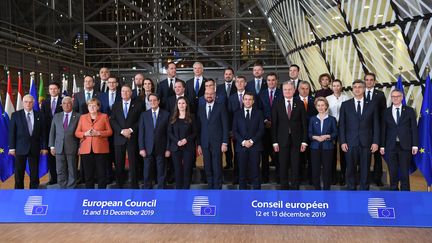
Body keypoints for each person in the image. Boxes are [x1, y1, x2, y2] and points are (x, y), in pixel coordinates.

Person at [339, 79, 379, 190]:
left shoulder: (372, 104)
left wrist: (375, 142)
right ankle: (351, 189)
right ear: (352, 90)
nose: (357, 89)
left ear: (364, 89)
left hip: (366, 142)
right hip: (350, 142)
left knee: (365, 168)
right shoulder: (345, 105)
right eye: (355, 87)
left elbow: (376, 124)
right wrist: (342, 142)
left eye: (359, 87)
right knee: (350, 168)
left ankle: (364, 190)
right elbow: (342, 125)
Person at [272, 81, 308, 190]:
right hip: (281, 140)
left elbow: (304, 125)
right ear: (282, 91)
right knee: (283, 165)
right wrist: (274, 142)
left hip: (296, 141)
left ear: (294, 90)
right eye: (285, 89)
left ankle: (295, 187)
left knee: (296, 165)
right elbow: (274, 124)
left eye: (289, 89)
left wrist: (304, 141)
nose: (287, 91)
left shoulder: (300, 103)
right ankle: (284, 187)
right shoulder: (277, 104)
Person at [380, 89, 418, 191]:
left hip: (405, 146)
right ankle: (393, 191)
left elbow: (414, 128)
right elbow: (383, 130)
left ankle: (405, 192)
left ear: (402, 97)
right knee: (392, 170)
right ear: (391, 98)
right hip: (390, 146)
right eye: (393, 97)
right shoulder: (386, 112)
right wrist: (382, 145)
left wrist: (415, 145)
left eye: (397, 96)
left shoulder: (409, 110)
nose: (395, 98)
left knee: (404, 171)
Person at [8, 94, 48, 189]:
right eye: (26, 102)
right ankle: (19, 192)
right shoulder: (15, 115)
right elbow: (12, 133)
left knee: (34, 174)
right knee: (19, 173)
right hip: (20, 148)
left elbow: (43, 133)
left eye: (30, 102)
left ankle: (34, 192)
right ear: (23, 102)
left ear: (33, 103)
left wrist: (44, 147)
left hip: (35, 148)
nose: (28, 104)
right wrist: (12, 148)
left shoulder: (39, 115)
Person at [110, 84, 143, 189]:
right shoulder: (116, 105)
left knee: (133, 163)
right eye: (123, 91)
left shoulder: (138, 105)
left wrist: (130, 130)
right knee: (119, 163)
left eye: (127, 91)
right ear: (120, 93)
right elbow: (112, 120)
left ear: (131, 93)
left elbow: (140, 121)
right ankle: (120, 184)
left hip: (132, 137)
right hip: (119, 138)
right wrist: (121, 131)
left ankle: (134, 184)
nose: (125, 93)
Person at [75, 98, 112, 189]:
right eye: (90, 106)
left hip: (101, 149)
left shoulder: (104, 116)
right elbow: (77, 133)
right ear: (87, 107)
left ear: (98, 107)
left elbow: (110, 132)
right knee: (88, 175)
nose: (92, 107)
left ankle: (101, 196)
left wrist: (99, 133)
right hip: (86, 150)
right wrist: (85, 134)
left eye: (94, 105)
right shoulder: (83, 117)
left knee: (101, 175)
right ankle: (90, 196)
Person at [197, 88, 229, 189]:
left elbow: (225, 126)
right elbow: (199, 128)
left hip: (217, 143)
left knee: (217, 166)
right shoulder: (201, 108)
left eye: (211, 94)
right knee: (207, 166)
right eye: (207, 94)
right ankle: (210, 186)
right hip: (204, 143)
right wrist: (199, 144)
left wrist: (225, 142)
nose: (209, 96)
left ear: (215, 95)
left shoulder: (221, 107)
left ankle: (217, 187)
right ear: (204, 95)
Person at [232, 92, 265, 189]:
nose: (247, 101)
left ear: (253, 101)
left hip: (255, 146)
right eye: (245, 99)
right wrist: (243, 142)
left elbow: (261, 130)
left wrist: (251, 141)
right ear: (243, 100)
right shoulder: (237, 113)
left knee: (255, 172)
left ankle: (257, 196)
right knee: (242, 174)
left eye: (250, 99)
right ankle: (242, 196)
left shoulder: (259, 113)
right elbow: (235, 130)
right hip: (241, 147)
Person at [138, 93, 170, 189]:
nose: (153, 102)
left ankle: (161, 191)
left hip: (162, 148)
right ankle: (147, 191)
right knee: (147, 172)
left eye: (155, 100)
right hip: (147, 148)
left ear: (158, 101)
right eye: (150, 100)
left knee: (161, 172)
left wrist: (168, 149)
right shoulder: (144, 115)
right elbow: (141, 133)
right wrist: (141, 148)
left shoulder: (166, 114)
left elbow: (169, 133)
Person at [48, 97, 81, 189]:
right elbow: (52, 132)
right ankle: (62, 187)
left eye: (69, 103)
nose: (66, 105)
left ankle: (71, 187)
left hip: (72, 147)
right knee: (60, 169)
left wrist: (80, 147)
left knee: (72, 169)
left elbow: (81, 133)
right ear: (61, 105)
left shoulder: (78, 116)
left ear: (72, 104)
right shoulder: (56, 116)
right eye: (64, 103)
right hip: (58, 147)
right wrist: (51, 146)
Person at [168, 97, 198, 189]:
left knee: (187, 170)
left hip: (188, 147)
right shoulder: (173, 117)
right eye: (179, 103)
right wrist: (177, 141)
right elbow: (169, 132)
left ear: (186, 105)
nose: (181, 105)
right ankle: (179, 190)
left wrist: (186, 140)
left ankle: (186, 189)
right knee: (177, 170)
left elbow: (195, 132)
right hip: (176, 147)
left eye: (183, 103)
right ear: (177, 105)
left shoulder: (192, 117)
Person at [308, 97, 338, 190]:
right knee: (315, 169)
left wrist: (327, 136)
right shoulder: (312, 119)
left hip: (327, 147)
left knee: (327, 169)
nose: (320, 107)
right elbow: (309, 133)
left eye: (322, 105)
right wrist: (315, 137)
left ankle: (326, 189)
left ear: (326, 106)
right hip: (315, 147)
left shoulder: (332, 119)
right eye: (318, 105)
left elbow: (335, 133)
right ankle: (316, 189)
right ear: (316, 107)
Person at [258, 72, 282, 183]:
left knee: (278, 154)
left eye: (273, 80)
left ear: (277, 81)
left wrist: (275, 121)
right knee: (265, 154)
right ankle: (265, 177)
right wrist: (265, 121)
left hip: (278, 129)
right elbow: (258, 110)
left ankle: (278, 177)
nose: (271, 82)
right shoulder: (261, 94)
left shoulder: (282, 93)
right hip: (265, 128)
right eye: (269, 80)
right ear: (266, 81)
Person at [364, 73, 387, 186]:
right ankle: (365, 178)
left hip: (377, 129)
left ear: (374, 81)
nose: (369, 82)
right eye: (367, 80)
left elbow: (383, 113)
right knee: (364, 156)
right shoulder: (360, 93)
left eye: (371, 80)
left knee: (377, 156)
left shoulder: (380, 95)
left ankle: (378, 179)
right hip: (364, 130)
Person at [326, 79, 349, 185]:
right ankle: (332, 177)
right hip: (331, 128)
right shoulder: (327, 98)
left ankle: (344, 176)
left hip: (344, 127)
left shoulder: (346, 98)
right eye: (334, 85)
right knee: (332, 152)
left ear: (341, 86)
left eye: (338, 85)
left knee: (344, 152)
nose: (336, 87)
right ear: (331, 87)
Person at [295, 80, 317, 184]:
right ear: (298, 89)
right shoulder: (293, 101)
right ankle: (300, 178)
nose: (304, 91)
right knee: (298, 158)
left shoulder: (315, 101)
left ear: (309, 90)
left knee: (312, 158)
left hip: (312, 134)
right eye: (302, 88)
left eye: (307, 88)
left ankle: (311, 179)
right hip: (297, 135)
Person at [40, 82, 63, 185]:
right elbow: (43, 119)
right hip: (48, 133)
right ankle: (53, 179)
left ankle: (62, 178)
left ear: (58, 90)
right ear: (48, 91)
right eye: (50, 89)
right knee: (51, 158)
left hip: (61, 133)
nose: (53, 90)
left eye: (55, 89)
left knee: (61, 158)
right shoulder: (45, 102)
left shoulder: (64, 101)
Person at [216, 68, 237, 170]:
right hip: (223, 120)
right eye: (226, 74)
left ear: (233, 75)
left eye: (230, 74)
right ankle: (229, 163)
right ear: (224, 76)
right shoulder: (219, 88)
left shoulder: (237, 86)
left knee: (237, 144)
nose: (228, 76)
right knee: (226, 143)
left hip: (235, 119)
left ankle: (237, 164)